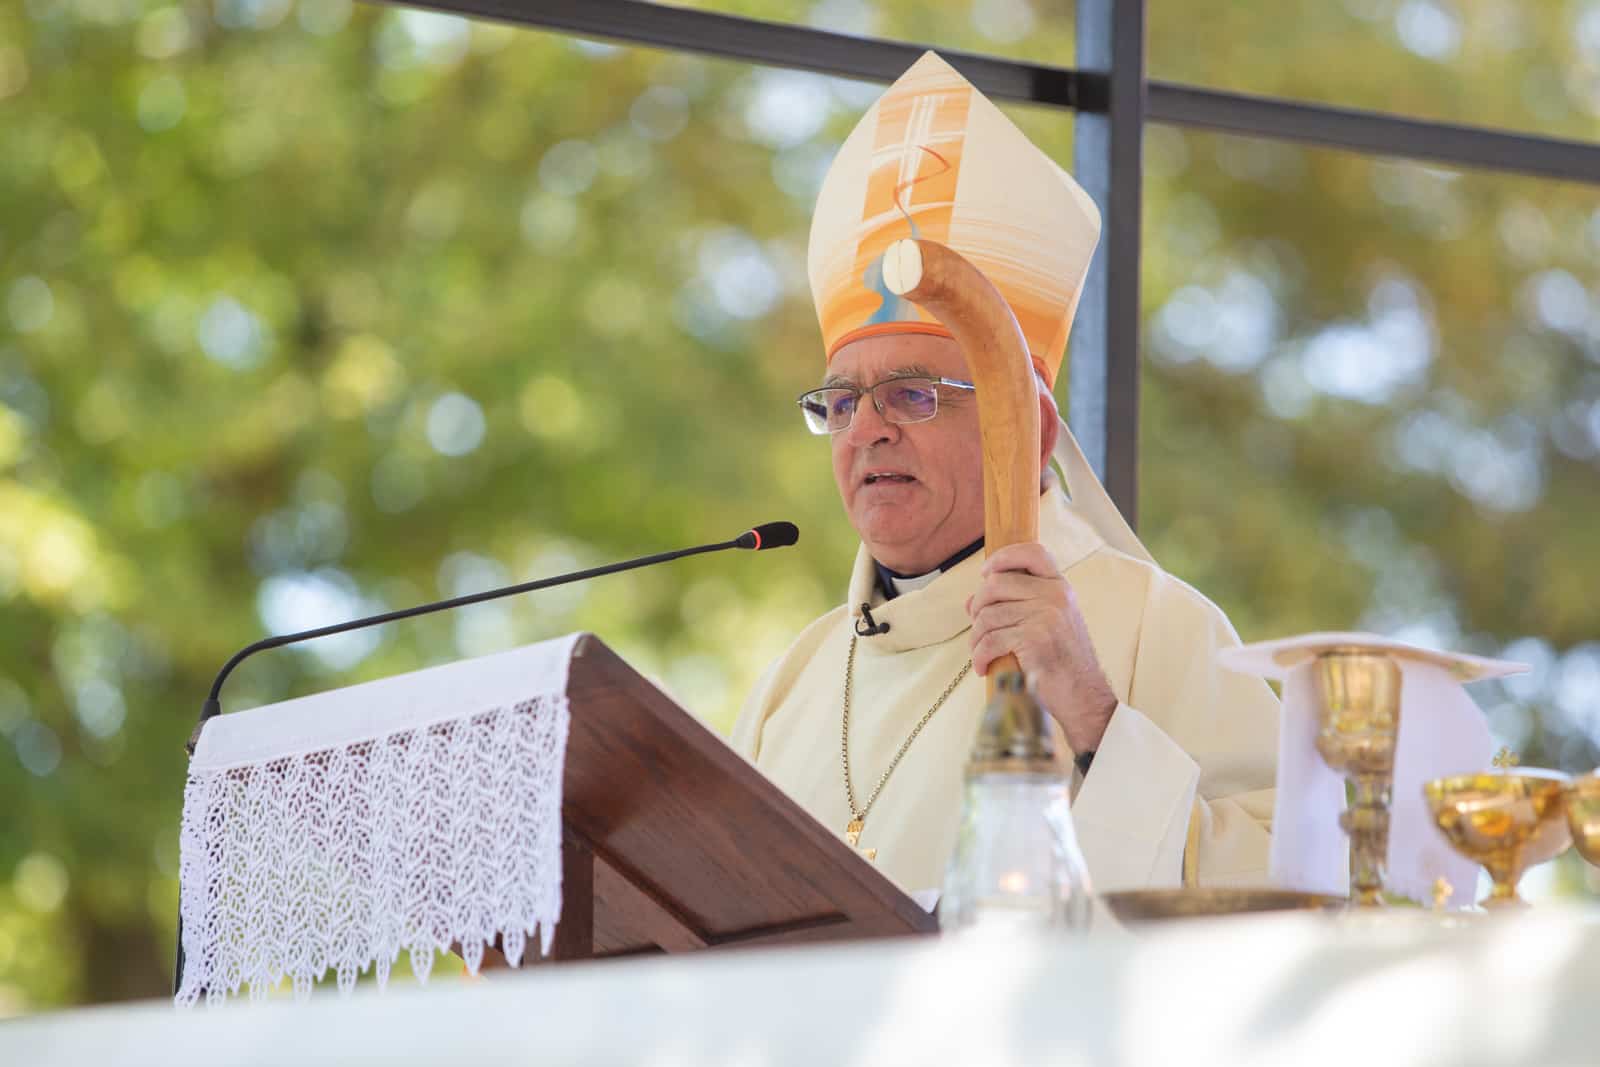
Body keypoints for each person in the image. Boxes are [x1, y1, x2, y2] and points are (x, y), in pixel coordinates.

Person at [730, 51, 1281, 896]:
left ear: (1031, 430)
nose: (866, 430)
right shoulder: (791, 685)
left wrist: (1095, 718)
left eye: (910, 395)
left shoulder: (1154, 627)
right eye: (840, 403)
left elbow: (1285, 899)